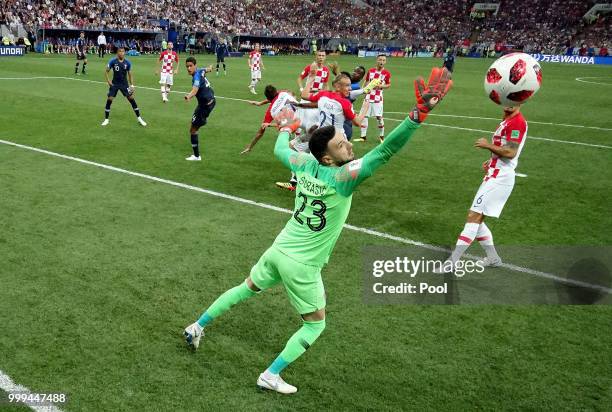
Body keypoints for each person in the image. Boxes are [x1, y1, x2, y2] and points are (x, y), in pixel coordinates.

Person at [183, 67, 453, 395]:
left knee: (245, 287)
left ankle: (197, 326)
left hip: (279, 248)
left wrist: (286, 126)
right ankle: (270, 374)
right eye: (342, 145)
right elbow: (385, 152)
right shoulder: (343, 179)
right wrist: (417, 115)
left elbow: (280, 150)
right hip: (302, 265)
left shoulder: (304, 163)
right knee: (315, 324)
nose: (349, 146)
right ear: (327, 158)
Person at [439, 104, 529, 272]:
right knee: (477, 219)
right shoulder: (508, 120)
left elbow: (510, 152)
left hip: (500, 179)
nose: (509, 103)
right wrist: (492, 160)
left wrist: (488, 146)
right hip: (494, 174)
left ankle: (452, 262)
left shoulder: (517, 122)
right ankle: (493, 257)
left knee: (473, 216)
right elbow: (503, 149)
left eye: (514, 99)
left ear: (521, 101)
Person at [101, 47, 147, 127]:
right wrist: (108, 81)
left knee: (131, 99)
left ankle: (139, 118)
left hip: (124, 84)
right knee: (110, 99)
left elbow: (130, 74)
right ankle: (106, 119)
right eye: (120, 51)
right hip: (114, 84)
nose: (122, 53)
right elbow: (106, 71)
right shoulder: (113, 61)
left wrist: (132, 85)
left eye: (123, 51)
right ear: (117, 53)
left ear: (124, 53)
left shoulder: (127, 62)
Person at [184, 57, 215, 161]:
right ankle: (201, 121)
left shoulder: (196, 76)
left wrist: (189, 96)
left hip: (204, 106)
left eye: (190, 66)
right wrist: (210, 68)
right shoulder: (200, 70)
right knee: (195, 124)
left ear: (195, 66)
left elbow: (195, 89)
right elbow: (207, 69)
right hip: (212, 101)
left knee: (192, 130)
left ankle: (197, 156)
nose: (188, 68)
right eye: (187, 66)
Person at [354, 55, 391, 143]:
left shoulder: (386, 73)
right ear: (376, 60)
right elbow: (366, 82)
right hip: (368, 97)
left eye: (383, 60)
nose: (381, 62)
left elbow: (388, 84)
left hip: (378, 98)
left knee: (379, 117)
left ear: (385, 62)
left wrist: (381, 86)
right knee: (364, 117)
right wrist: (363, 91)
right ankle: (363, 137)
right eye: (380, 60)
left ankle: (381, 137)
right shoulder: (370, 71)